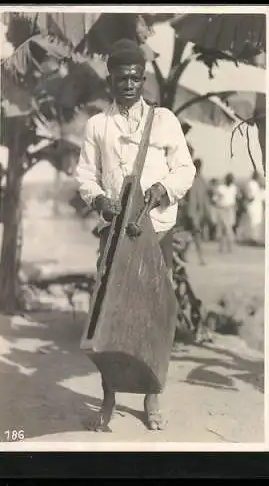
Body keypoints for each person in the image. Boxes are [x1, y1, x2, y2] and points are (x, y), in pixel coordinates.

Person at [75, 39, 195, 432]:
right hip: (114, 232)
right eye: (120, 78)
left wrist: (162, 189)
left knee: (153, 314)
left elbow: (185, 169)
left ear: (142, 80)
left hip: (155, 228)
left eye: (134, 78)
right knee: (108, 316)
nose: (128, 84)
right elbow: (85, 176)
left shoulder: (164, 121)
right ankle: (108, 396)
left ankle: (151, 395)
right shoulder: (97, 125)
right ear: (110, 80)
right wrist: (99, 202)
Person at [182, 158, 210, 265]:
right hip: (194, 213)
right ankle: (201, 258)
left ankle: (184, 254)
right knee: (195, 235)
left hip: (194, 213)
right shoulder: (197, 180)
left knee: (192, 234)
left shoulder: (194, 179)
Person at [214, 173, 238, 253]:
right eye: (229, 178)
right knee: (221, 229)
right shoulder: (221, 188)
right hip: (222, 209)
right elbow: (215, 199)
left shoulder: (234, 188)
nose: (230, 180)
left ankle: (229, 248)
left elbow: (235, 199)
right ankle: (221, 248)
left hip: (230, 209)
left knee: (229, 229)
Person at [244, 170, 264, 244]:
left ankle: (254, 238)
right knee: (254, 222)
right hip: (254, 205)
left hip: (256, 205)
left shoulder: (253, 184)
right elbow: (251, 196)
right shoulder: (252, 184)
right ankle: (253, 239)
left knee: (255, 221)